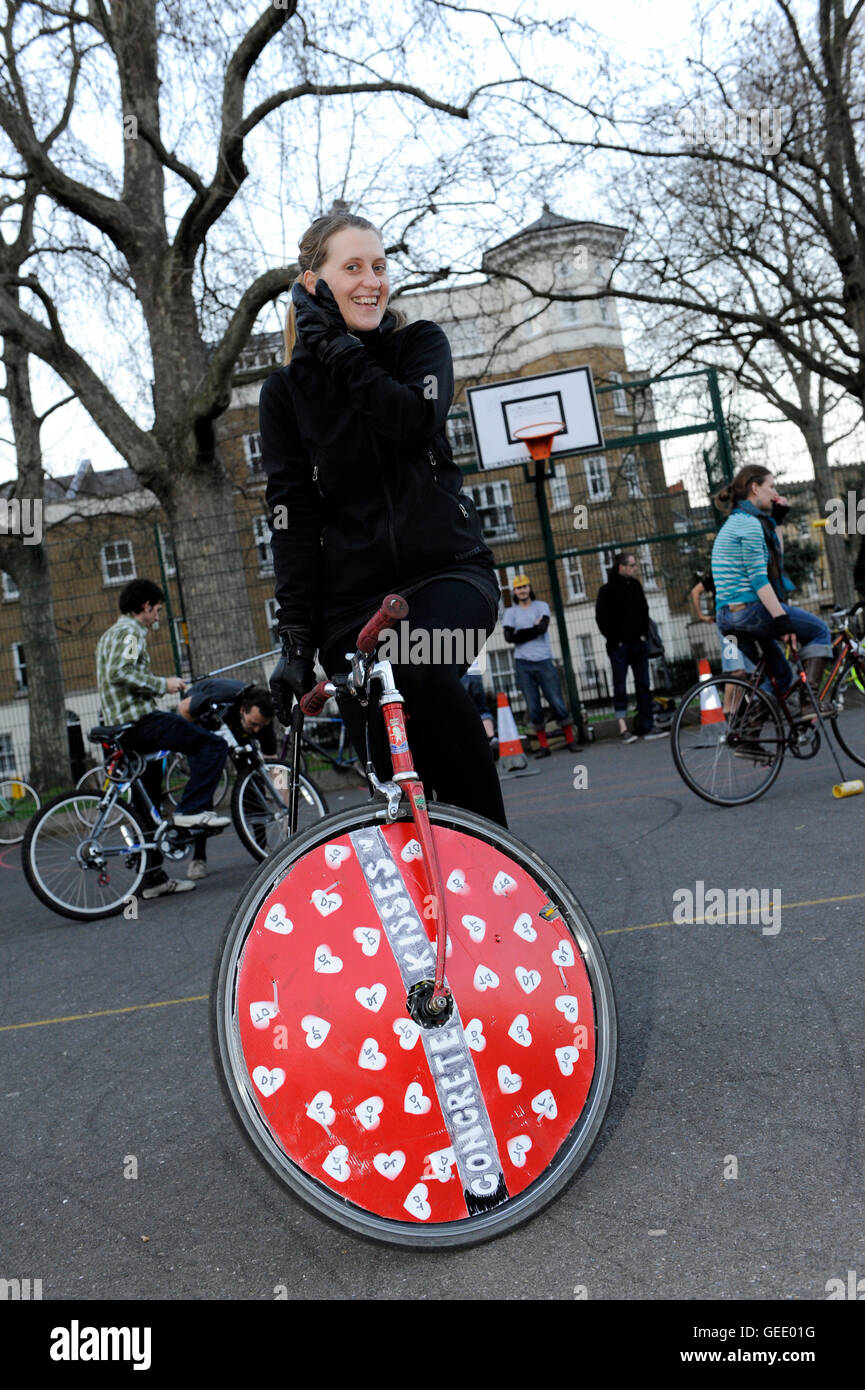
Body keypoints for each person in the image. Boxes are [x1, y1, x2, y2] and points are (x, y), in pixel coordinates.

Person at [261, 209, 506, 826]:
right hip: (350, 606)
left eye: (379, 266)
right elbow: (293, 519)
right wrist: (294, 638)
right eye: (353, 268)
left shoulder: (418, 345)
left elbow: (410, 420)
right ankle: (424, 896)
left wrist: (340, 349)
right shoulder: (285, 395)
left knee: (414, 672)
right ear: (313, 285)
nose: (372, 280)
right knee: (391, 765)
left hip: (447, 575)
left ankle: (501, 868)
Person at [95, 579, 230, 899]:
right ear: (143, 607)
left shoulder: (110, 634)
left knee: (146, 805)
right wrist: (163, 684)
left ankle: (152, 877)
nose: (157, 617)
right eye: (156, 610)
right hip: (138, 723)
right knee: (214, 744)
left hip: (122, 727)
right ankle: (191, 810)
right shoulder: (130, 632)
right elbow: (121, 672)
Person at [711, 466, 834, 717]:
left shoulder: (738, 522)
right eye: (771, 486)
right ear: (755, 488)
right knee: (820, 631)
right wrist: (782, 618)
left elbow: (775, 558)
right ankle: (810, 702)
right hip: (749, 612)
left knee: (780, 674)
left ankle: (750, 732)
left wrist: (778, 520)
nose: (774, 492)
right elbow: (759, 579)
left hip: (727, 617)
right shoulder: (750, 525)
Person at [177, 680, 276, 878]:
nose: (257, 730)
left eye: (260, 726)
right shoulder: (222, 698)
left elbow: (276, 769)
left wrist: (285, 806)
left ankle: (262, 849)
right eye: (254, 724)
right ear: (242, 710)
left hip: (233, 726)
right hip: (199, 720)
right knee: (204, 787)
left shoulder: (262, 721)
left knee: (252, 777)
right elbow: (183, 709)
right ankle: (198, 858)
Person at [502, 575, 579, 759]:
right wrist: (533, 630)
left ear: (530, 588)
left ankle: (570, 741)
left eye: (525, 587)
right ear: (514, 591)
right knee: (533, 705)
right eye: (519, 588)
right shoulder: (510, 613)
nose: (522, 590)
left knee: (556, 701)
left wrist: (523, 633)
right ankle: (543, 746)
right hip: (523, 664)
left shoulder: (541, 606)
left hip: (544, 660)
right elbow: (510, 637)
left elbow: (542, 628)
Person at [595, 554, 669, 742]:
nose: (636, 568)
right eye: (632, 565)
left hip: (638, 643)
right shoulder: (606, 591)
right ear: (622, 567)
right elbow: (601, 619)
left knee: (643, 684)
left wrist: (643, 635)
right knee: (620, 685)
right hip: (618, 647)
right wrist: (616, 639)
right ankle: (623, 728)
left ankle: (647, 725)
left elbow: (644, 611)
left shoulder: (635, 586)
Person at [460, 658, 499, 761]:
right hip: (473, 669)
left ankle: (471, 748)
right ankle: (492, 737)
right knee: (481, 709)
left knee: (460, 712)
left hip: (455, 671)